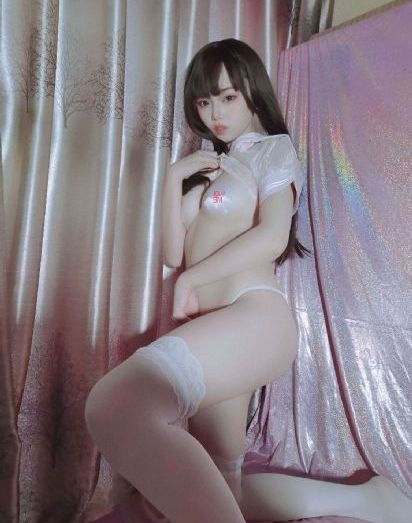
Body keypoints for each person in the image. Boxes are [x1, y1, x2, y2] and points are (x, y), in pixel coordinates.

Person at [84, 39, 412, 523]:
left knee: (113, 406)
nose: (214, 113)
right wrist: (174, 178)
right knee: (221, 493)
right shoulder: (212, 169)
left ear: (253, 92)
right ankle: (371, 502)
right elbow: (172, 252)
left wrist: (191, 280)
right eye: (204, 102)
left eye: (227, 96)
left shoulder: (273, 151)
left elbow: (273, 235)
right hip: (220, 332)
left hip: (254, 318)